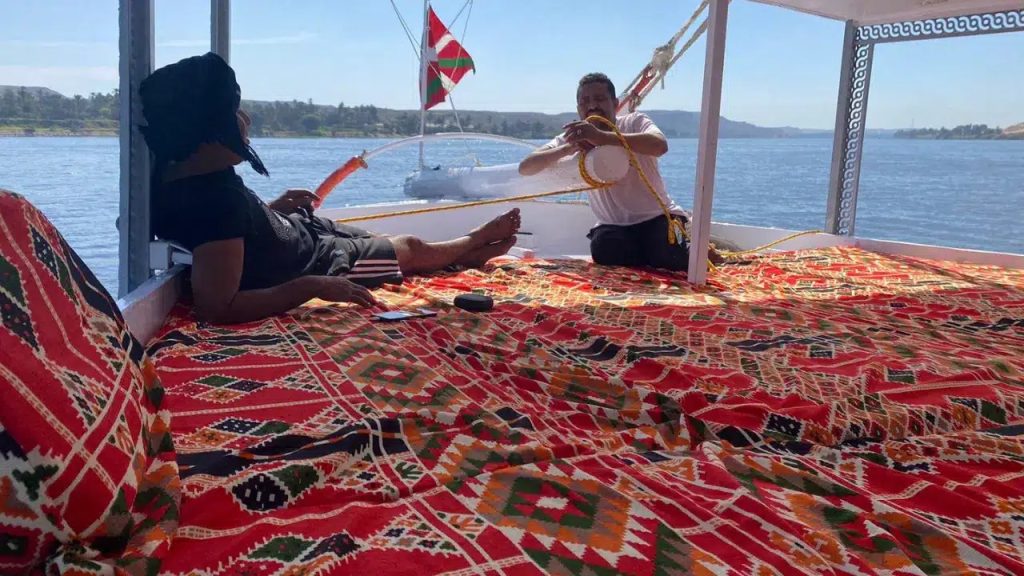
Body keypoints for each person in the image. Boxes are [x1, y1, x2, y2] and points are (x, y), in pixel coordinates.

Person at [140, 53, 520, 324]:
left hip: (305, 232)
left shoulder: (192, 174)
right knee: (409, 248)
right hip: (320, 261)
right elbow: (217, 308)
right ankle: (471, 245)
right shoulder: (208, 203)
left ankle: (459, 253)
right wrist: (312, 286)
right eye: (232, 112)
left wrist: (275, 208)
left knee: (380, 239)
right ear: (204, 130)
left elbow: (232, 233)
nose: (246, 119)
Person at [519, 72, 719, 271]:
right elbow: (526, 168)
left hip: (657, 217)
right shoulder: (572, 137)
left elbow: (659, 145)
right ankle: (658, 253)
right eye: (584, 101)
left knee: (669, 255)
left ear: (615, 104)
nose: (592, 106)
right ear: (578, 108)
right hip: (613, 227)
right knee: (604, 251)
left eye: (599, 99)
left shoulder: (634, 122)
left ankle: (685, 245)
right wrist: (569, 148)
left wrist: (602, 137)